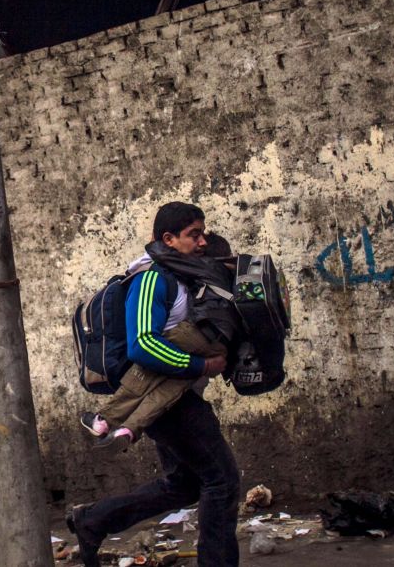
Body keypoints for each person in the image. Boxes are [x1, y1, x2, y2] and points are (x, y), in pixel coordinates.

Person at [68, 202, 240, 567]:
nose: (201, 241)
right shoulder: (152, 279)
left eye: (202, 233)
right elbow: (142, 344)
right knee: (221, 480)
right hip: (163, 398)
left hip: (177, 392)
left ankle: (92, 521)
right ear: (168, 239)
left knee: (184, 483)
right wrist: (201, 364)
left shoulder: (184, 275)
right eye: (194, 234)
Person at [80, 234, 234, 450]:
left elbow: (143, 346)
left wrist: (158, 243)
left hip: (195, 333)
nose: (198, 242)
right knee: (170, 388)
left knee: (151, 359)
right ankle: (129, 429)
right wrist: (205, 365)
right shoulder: (230, 274)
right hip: (218, 345)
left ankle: (105, 419)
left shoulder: (191, 270)